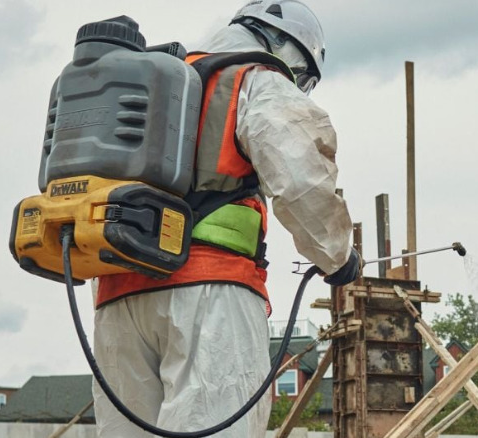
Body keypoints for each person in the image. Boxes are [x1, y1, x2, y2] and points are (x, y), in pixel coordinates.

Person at [91, 1, 361, 436]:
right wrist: (338, 256)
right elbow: (301, 181)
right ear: (286, 46)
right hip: (209, 292)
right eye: (304, 77)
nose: (299, 85)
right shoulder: (256, 79)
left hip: (117, 295)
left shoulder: (157, 80)